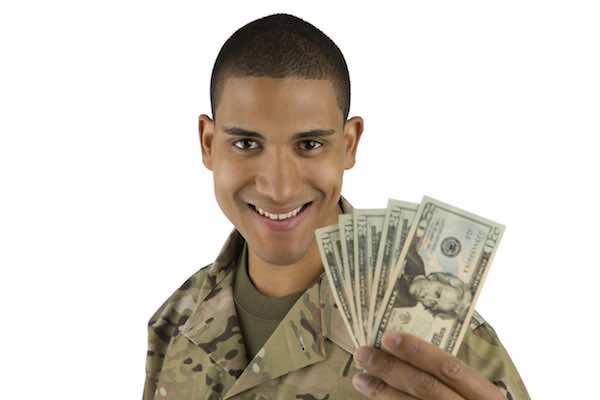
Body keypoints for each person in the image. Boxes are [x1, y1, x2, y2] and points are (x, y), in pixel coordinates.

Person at [142, 13, 530, 399]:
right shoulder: (176, 322)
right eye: (246, 144)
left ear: (349, 144)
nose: (279, 187)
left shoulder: (439, 333)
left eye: (309, 145)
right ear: (208, 143)